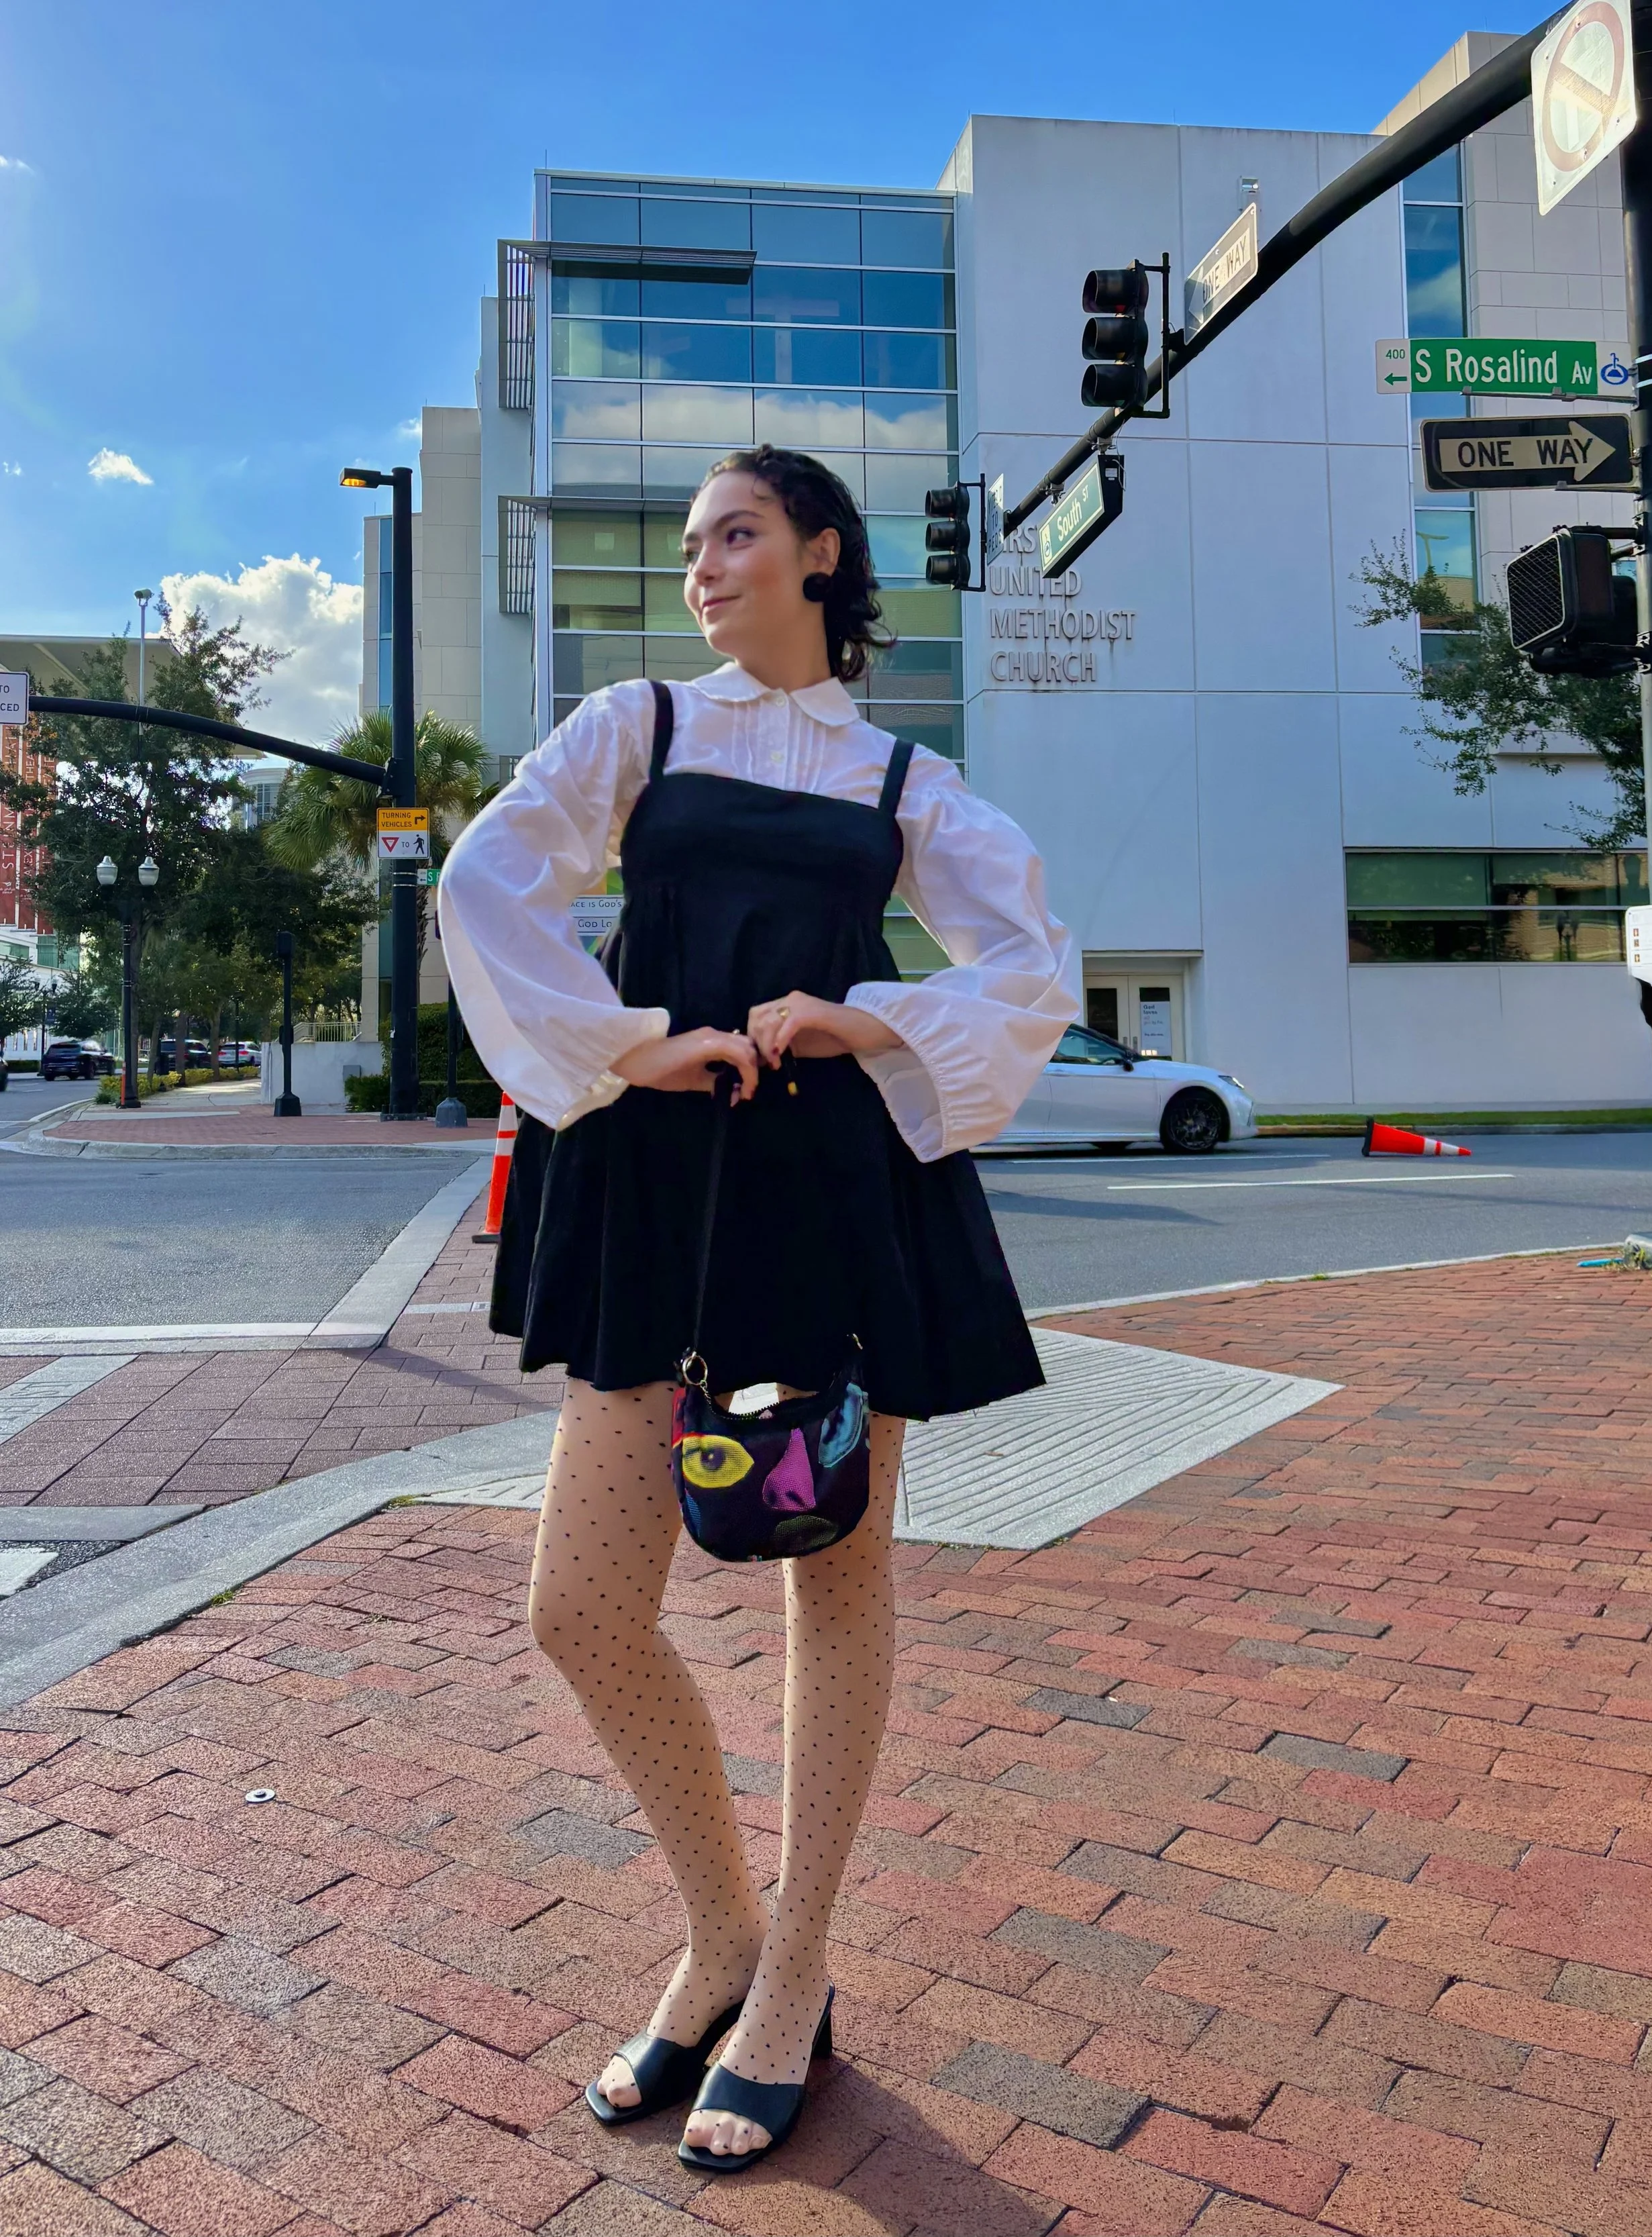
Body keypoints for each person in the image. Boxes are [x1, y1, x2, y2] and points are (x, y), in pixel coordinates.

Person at [439, 444, 1076, 2171]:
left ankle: (792, 1970)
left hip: (828, 1202)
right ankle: (719, 1928)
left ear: (819, 552)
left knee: (831, 1581)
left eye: (734, 534)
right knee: (579, 1607)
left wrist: (868, 1017)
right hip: (652, 1189)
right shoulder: (635, 726)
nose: (702, 566)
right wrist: (636, 1045)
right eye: (691, 542)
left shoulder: (902, 779)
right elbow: (483, 889)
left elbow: (1033, 967)